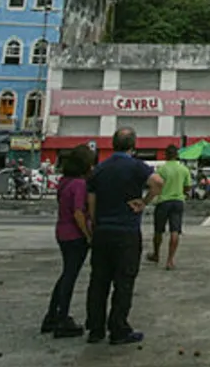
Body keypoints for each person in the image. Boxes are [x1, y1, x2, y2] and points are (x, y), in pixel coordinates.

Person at [85, 128, 163, 345]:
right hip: (126, 231)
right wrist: (144, 202)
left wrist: (96, 225)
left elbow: (91, 202)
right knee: (124, 281)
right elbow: (157, 182)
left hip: (103, 232)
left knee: (98, 281)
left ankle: (95, 328)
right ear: (133, 144)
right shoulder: (136, 166)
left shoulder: (100, 169)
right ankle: (118, 328)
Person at [43, 145, 94, 338]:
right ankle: (62, 318)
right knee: (70, 276)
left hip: (62, 231)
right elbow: (79, 213)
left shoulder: (65, 181)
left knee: (66, 274)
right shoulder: (80, 184)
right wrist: (88, 235)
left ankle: (52, 315)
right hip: (75, 235)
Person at [148, 152, 193, 270]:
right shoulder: (184, 169)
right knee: (175, 230)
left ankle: (156, 254)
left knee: (158, 230)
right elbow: (188, 187)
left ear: (166, 156)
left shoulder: (161, 169)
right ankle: (170, 260)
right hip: (178, 202)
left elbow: (155, 184)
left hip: (163, 201)